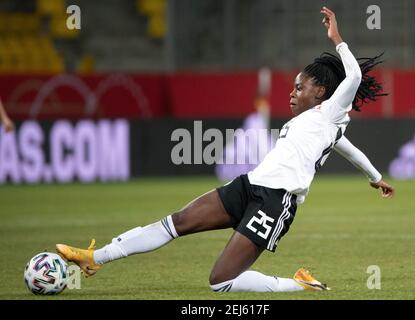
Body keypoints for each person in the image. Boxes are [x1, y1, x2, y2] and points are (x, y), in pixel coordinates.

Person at [56, 7, 395, 293]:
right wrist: (375, 177)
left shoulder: (332, 111)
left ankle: (299, 285)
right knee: (175, 222)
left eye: (299, 87)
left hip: (275, 201)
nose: (291, 94)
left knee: (221, 282)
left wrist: (337, 39)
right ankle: (95, 258)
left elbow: (352, 76)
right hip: (248, 186)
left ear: (320, 90)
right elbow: (350, 150)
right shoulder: (323, 126)